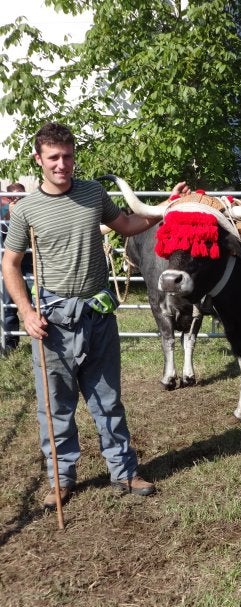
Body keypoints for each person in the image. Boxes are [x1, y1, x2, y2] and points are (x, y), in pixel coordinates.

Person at [2, 122, 190, 509]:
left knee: (107, 399)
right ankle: (61, 478)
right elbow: (11, 263)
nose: (62, 164)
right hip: (52, 320)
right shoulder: (26, 211)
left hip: (98, 314)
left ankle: (124, 471)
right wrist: (25, 310)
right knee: (55, 404)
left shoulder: (92, 193)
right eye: (53, 157)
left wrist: (164, 208)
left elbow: (127, 225)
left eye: (67, 156)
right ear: (39, 159)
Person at [1, 182, 29, 354]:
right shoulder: (4, 213)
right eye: (14, 196)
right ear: (8, 198)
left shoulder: (31, 209)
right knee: (8, 304)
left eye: (21, 195)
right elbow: (3, 235)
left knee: (38, 300)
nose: (18, 198)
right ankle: (11, 343)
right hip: (10, 267)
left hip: (29, 264)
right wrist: (10, 217)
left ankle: (44, 339)